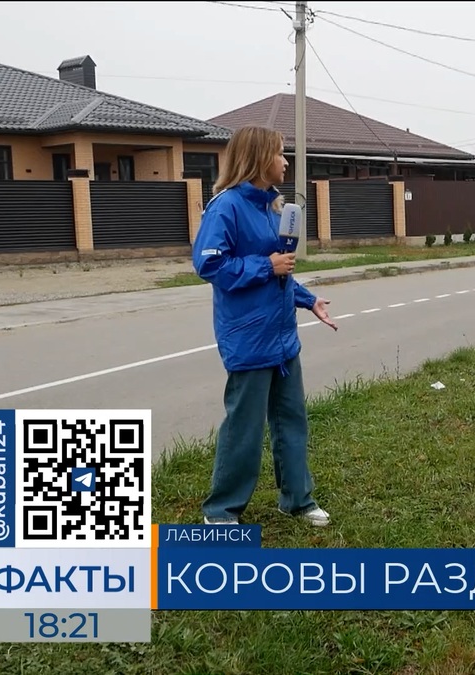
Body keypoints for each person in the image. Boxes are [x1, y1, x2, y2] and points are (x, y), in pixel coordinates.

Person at [190, 125, 339, 527]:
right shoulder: (226, 206)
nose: (285, 161)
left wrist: (309, 301)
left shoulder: (270, 207)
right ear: (258, 159)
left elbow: (281, 271)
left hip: (282, 339)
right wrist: (264, 265)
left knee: (292, 420)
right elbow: (208, 264)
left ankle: (298, 499)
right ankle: (221, 511)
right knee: (245, 427)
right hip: (248, 337)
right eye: (279, 154)